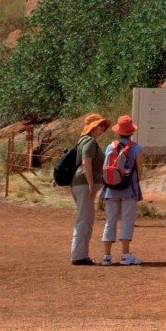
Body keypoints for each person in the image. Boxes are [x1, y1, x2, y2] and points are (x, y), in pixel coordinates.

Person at [99, 115, 143, 266]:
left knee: (110, 220)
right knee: (127, 221)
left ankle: (106, 256)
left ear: (118, 131)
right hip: (128, 189)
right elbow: (140, 172)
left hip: (110, 189)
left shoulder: (110, 147)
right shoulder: (136, 148)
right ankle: (125, 255)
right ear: (131, 132)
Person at [69, 112, 107, 266]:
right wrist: (91, 184)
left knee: (86, 219)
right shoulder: (89, 141)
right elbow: (86, 163)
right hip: (84, 184)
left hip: (81, 183)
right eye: (100, 125)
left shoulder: (83, 141)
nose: (103, 128)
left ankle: (81, 254)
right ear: (93, 127)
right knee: (84, 220)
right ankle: (79, 256)